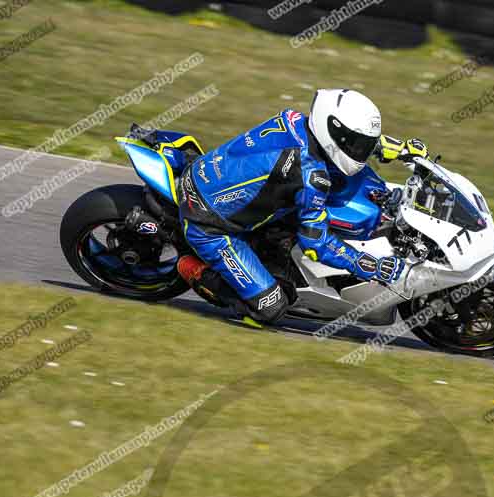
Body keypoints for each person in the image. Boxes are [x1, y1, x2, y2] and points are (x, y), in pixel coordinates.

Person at [175, 89, 428, 325]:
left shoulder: (298, 121)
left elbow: (349, 140)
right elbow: (316, 244)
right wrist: (369, 265)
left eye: (364, 144)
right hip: (210, 224)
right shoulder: (310, 176)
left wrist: (398, 149)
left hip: (211, 174)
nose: (360, 152)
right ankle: (194, 270)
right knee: (271, 307)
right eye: (357, 145)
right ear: (333, 130)